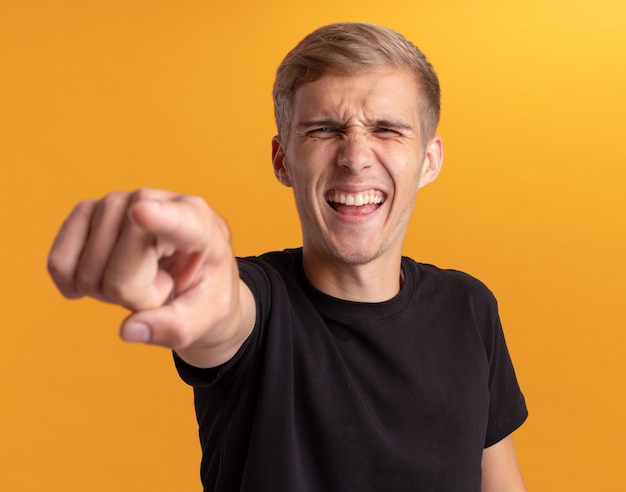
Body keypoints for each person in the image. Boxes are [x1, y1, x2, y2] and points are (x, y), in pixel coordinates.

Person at [47, 22, 528, 492]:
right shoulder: (258, 304)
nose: (355, 156)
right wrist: (198, 282)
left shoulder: (469, 307)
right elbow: (224, 315)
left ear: (429, 160)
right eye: (324, 129)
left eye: (386, 129)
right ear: (282, 161)